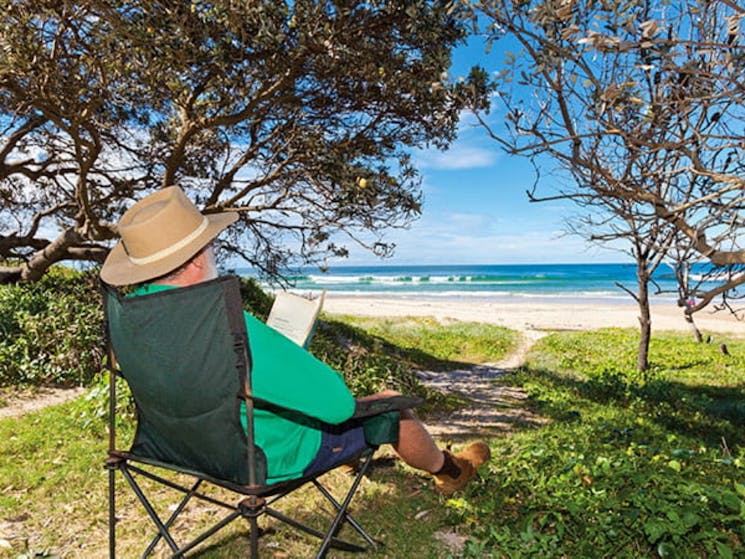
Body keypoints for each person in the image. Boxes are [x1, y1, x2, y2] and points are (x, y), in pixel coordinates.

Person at [100, 186, 490, 495]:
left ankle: (359, 458)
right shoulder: (225, 324)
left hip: (179, 449)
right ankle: (452, 470)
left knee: (294, 395)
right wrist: (284, 352)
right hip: (259, 459)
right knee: (388, 405)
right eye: (210, 244)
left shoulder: (132, 317)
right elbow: (337, 407)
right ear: (197, 259)